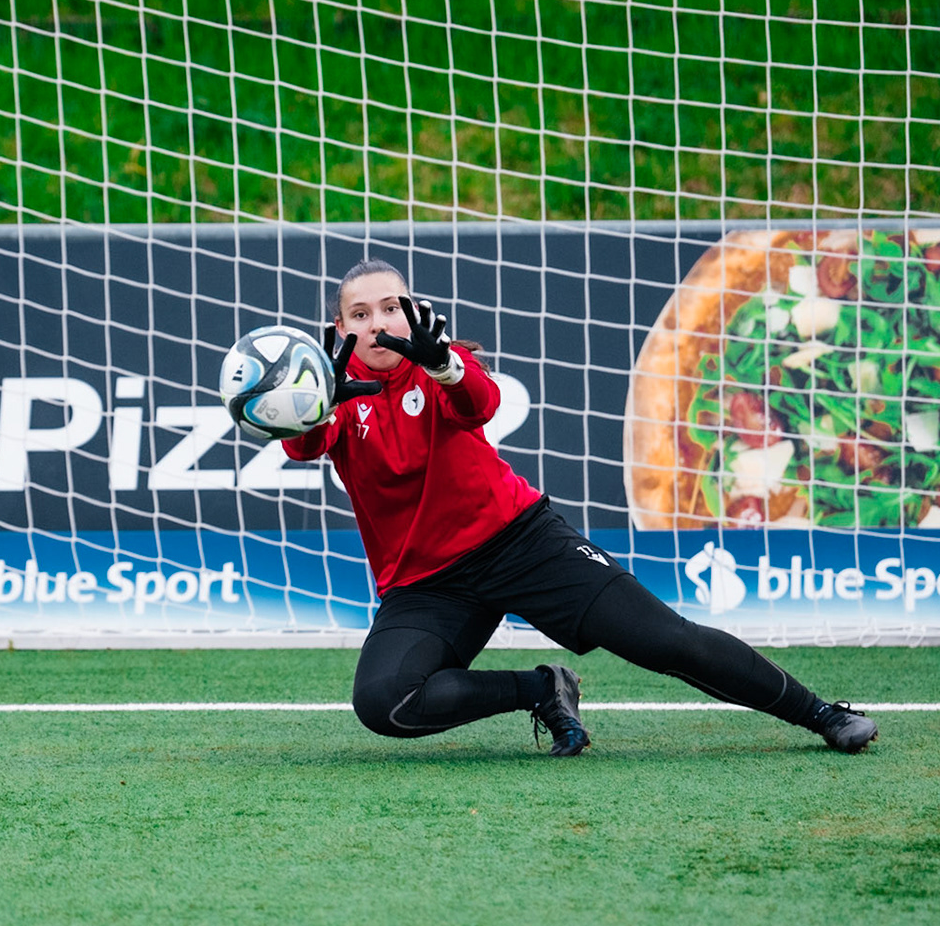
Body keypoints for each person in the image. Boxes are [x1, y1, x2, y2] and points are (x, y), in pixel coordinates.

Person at [281, 259, 878, 756]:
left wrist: (444, 364)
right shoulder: (330, 391)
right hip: (426, 583)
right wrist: (316, 403)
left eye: (391, 307)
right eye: (361, 314)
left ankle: (822, 714)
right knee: (386, 704)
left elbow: (479, 405)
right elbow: (303, 446)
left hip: (519, 543)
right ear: (340, 327)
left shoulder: (442, 363)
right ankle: (542, 688)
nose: (379, 322)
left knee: (667, 641)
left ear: (412, 312)